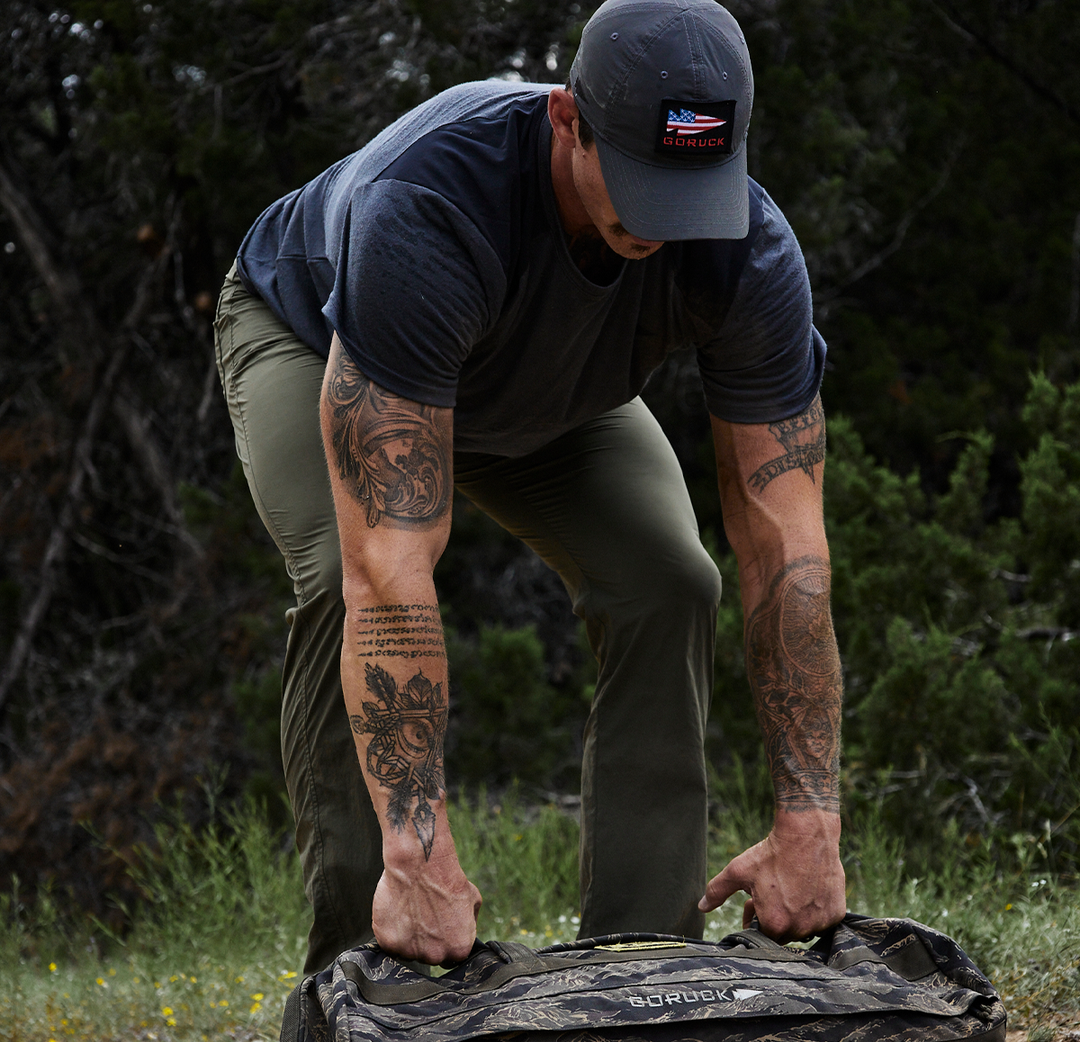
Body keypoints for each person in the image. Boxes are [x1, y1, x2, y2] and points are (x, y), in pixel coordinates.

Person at [213, 0, 846, 973]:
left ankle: (645, 964)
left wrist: (811, 823)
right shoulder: (428, 206)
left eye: (690, 193)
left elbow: (787, 552)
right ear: (566, 119)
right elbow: (389, 568)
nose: (663, 223)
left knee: (670, 580)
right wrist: (418, 847)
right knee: (340, 575)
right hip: (319, 338)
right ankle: (368, 968)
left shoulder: (748, 250)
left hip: (547, 383)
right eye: (641, 184)